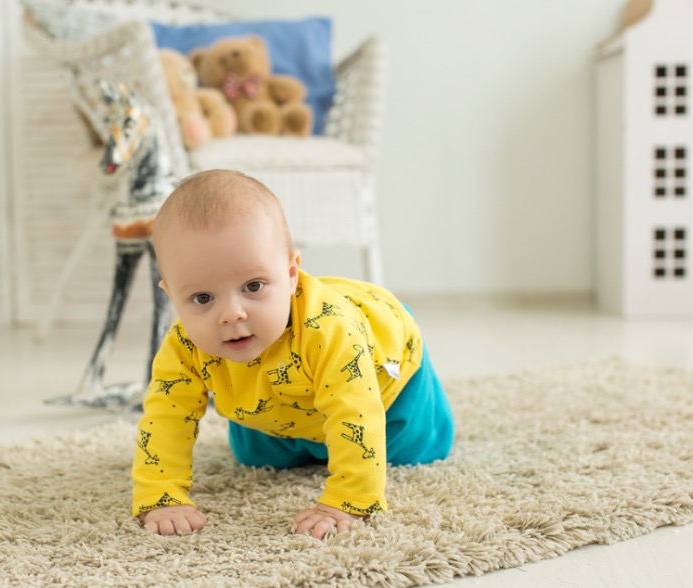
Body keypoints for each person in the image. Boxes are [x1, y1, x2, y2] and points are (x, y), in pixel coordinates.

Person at [132, 169, 454, 539]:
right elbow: (165, 417)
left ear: (290, 275)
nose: (232, 314)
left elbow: (356, 412)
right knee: (255, 457)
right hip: (277, 404)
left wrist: (345, 501)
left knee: (415, 449)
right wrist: (161, 494)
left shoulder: (330, 331)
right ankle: (305, 438)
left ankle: (401, 425)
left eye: (253, 286)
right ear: (171, 296)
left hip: (381, 379)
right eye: (202, 298)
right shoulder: (183, 346)